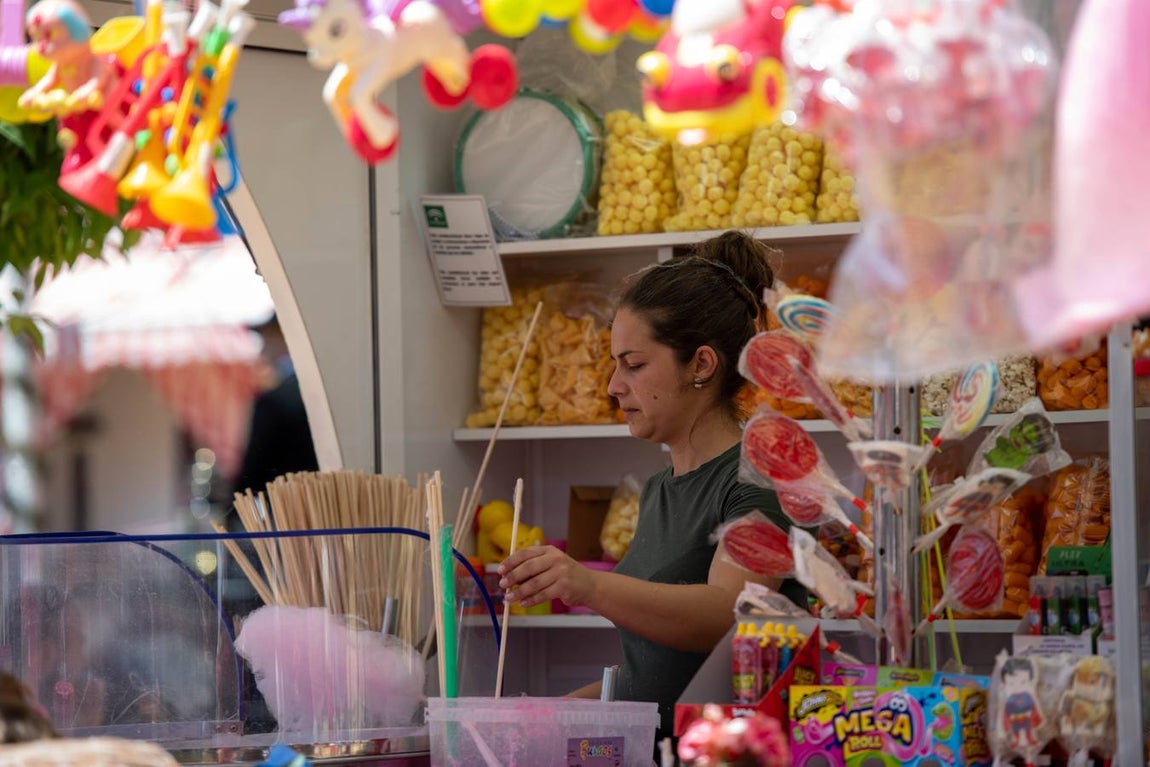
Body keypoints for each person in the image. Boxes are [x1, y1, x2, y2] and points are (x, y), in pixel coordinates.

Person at [498, 230, 803, 740]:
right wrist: (543, 716)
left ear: (701, 364)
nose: (614, 386)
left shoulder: (760, 478)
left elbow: (728, 612)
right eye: (615, 365)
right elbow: (656, 676)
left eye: (634, 365)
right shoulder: (660, 489)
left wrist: (587, 584)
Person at [231, 316, 319, 499]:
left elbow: (254, 470)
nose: (263, 350)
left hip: (283, 503)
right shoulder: (319, 390)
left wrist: (235, 502)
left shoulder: (275, 401)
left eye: (267, 339)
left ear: (285, 337)